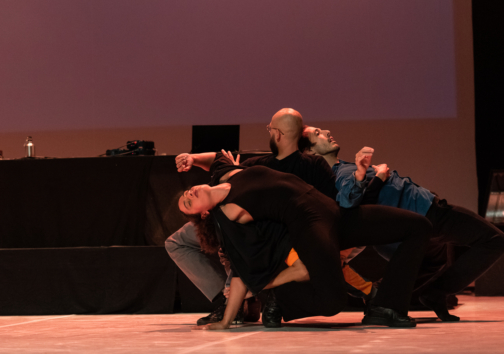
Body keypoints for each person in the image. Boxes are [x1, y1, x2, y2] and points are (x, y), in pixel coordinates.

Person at [179, 151, 432, 330]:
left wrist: (192, 158)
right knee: (333, 302)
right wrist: (226, 321)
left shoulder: (226, 174)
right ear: (204, 213)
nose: (189, 194)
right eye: (188, 203)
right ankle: (281, 298)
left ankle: (387, 306)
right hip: (310, 226)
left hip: (335, 212)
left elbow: (216, 158)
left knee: (418, 227)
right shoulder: (229, 216)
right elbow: (240, 270)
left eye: (186, 193)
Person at [167, 109, 373, 327]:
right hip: (232, 219)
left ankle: (244, 301)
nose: (327, 133)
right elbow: (221, 164)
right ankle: (229, 302)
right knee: (189, 241)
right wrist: (196, 159)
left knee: (245, 243)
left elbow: (328, 210)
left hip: (280, 231)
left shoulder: (313, 166)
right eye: (317, 133)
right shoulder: (258, 164)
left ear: (280, 135)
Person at [302, 126, 504, 322]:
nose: (326, 132)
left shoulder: (341, 168)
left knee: (433, 259)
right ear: (309, 152)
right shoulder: (336, 174)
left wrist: (374, 177)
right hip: (421, 211)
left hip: (413, 215)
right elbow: (348, 202)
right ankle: (432, 294)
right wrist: (371, 175)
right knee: (494, 240)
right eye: (317, 134)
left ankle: (382, 298)